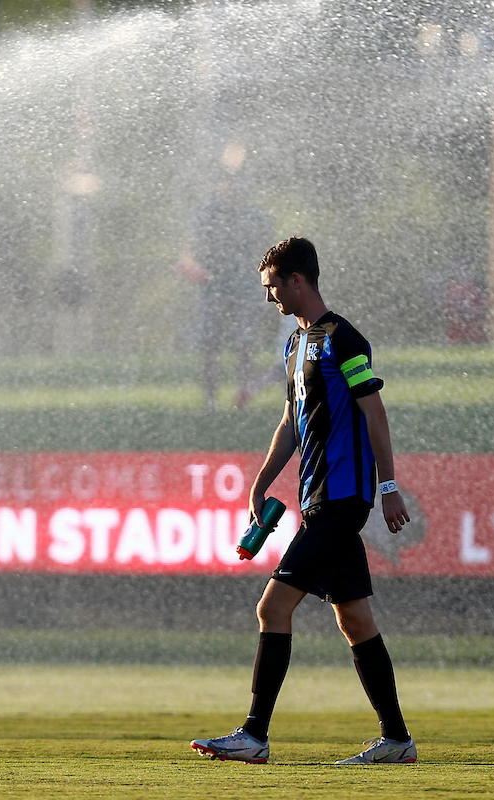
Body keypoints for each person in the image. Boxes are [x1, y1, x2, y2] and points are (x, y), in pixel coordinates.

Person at [190, 237, 416, 765]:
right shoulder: (294, 345)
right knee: (355, 619)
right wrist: (261, 482)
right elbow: (291, 422)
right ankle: (397, 740)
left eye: (272, 286)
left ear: (297, 280)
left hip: (342, 499)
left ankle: (253, 736)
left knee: (272, 607)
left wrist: (387, 487)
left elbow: (375, 414)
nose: (268, 296)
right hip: (317, 499)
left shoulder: (343, 339)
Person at [176, 146, 275, 412]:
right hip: (213, 285)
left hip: (246, 286)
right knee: (210, 344)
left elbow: (269, 253)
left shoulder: (255, 216)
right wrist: (190, 265)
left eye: (238, 183)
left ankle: (243, 398)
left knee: (245, 344)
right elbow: (189, 247)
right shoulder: (206, 213)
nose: (233, 188)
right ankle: (210, 401)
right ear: (220, 185)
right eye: (228, 183)